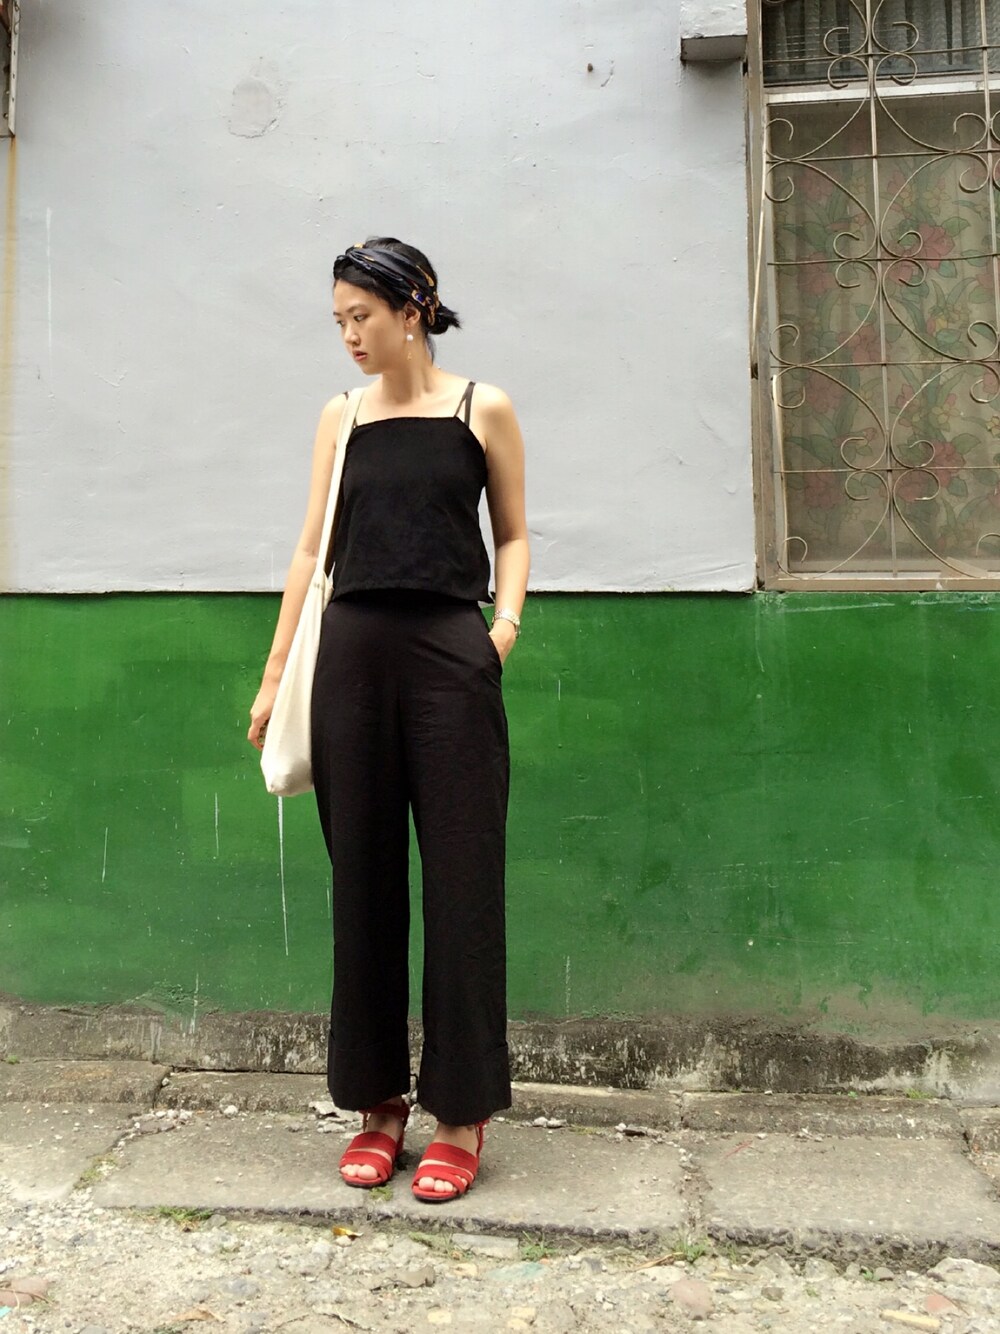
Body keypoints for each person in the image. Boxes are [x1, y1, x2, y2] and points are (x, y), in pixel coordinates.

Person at [248, 237, 529, 1202]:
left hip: (452, 658)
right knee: (362, 883)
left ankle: (461, 1113)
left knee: (462, 885)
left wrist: (502, 628)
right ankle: (377, 1104)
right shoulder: (342, 416)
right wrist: (275, 672)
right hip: (352, 661)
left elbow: (514, 533)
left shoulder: (480, 407)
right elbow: (310, 549)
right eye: (339, 321)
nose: (350, 336)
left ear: (413, 309)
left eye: (362, 316)